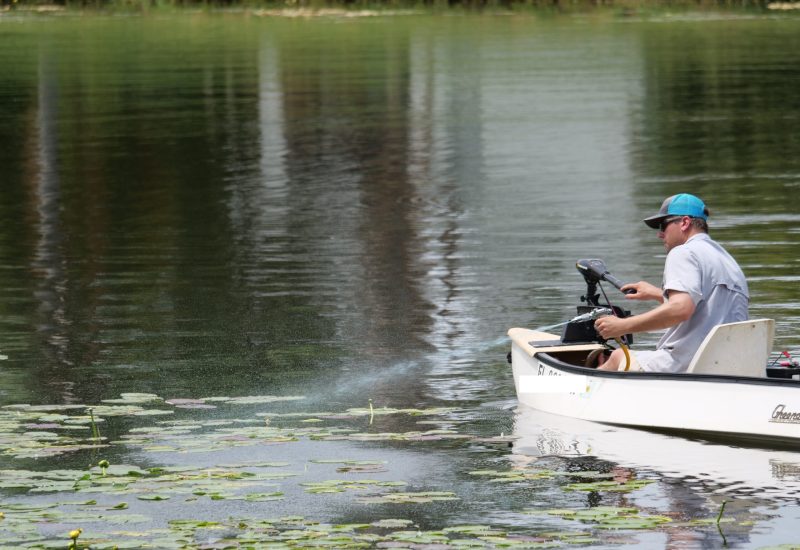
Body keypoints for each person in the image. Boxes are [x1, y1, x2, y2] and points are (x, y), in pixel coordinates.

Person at [593, 193, 749, 373]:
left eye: (663, 225)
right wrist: (658, 294)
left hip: (688, 366)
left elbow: (681, 309)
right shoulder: (728, 261)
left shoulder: (682, 252)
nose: (660, 234)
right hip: (731, 365)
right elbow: (709, 305)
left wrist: (622, 326)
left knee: (617, 356)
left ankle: (579, 389)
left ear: (684, 222)